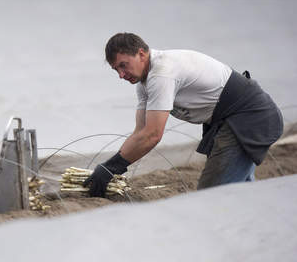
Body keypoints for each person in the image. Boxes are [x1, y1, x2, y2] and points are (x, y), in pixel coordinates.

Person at [83, 32, 283, 197]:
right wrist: (108, 167)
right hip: (229, 121)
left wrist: (113, 167)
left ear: (142, 54)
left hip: (248, 118)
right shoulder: (144, 83)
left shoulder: (161, 73)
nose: (120, 75)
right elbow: (140, 132)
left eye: (123, 65)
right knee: (240, 193)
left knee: (211, 196)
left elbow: (152, 135)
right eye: (115, 69)